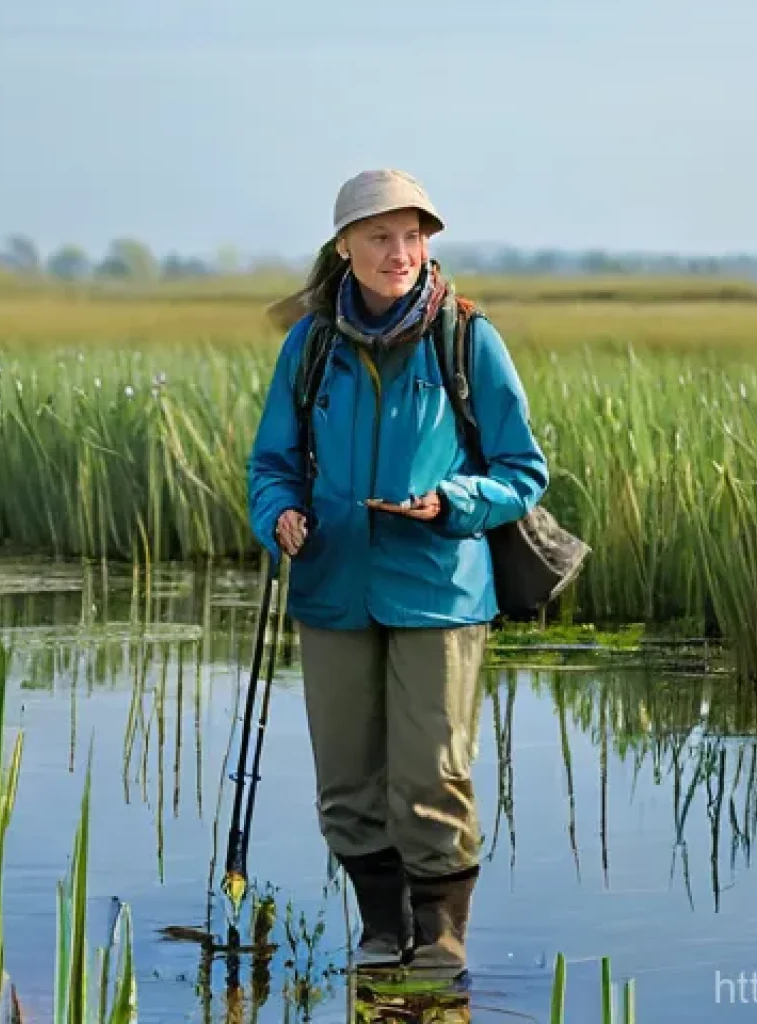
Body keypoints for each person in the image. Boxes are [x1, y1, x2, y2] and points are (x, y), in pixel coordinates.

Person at [247, 169, 549, 979]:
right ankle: (382, 931)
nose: (400, 252)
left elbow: (523, 472)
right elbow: (272, 465)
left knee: (431, 777)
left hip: (440, 592)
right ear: (344, 245)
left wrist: (453, 501)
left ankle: (442, 941)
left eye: (413, 236)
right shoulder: (310, 345)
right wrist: (279, 514)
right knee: (347, 783)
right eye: (380, 236)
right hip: (331, 586)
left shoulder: (467, 338)